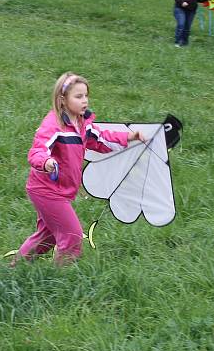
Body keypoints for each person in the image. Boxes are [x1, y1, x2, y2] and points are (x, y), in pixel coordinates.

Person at [14, 73, 145, 266]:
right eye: (78, 96)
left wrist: (130, 137)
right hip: (46, 190)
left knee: (47, 236)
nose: (84, 101)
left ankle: (17, 268)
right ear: (62, 100)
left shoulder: (83, 124)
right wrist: (46, 162)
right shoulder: (54, 124)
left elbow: (102, 138)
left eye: (86, 96)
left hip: (62, 191)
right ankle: (61, 281)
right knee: (72, 236)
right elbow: (37, 151)